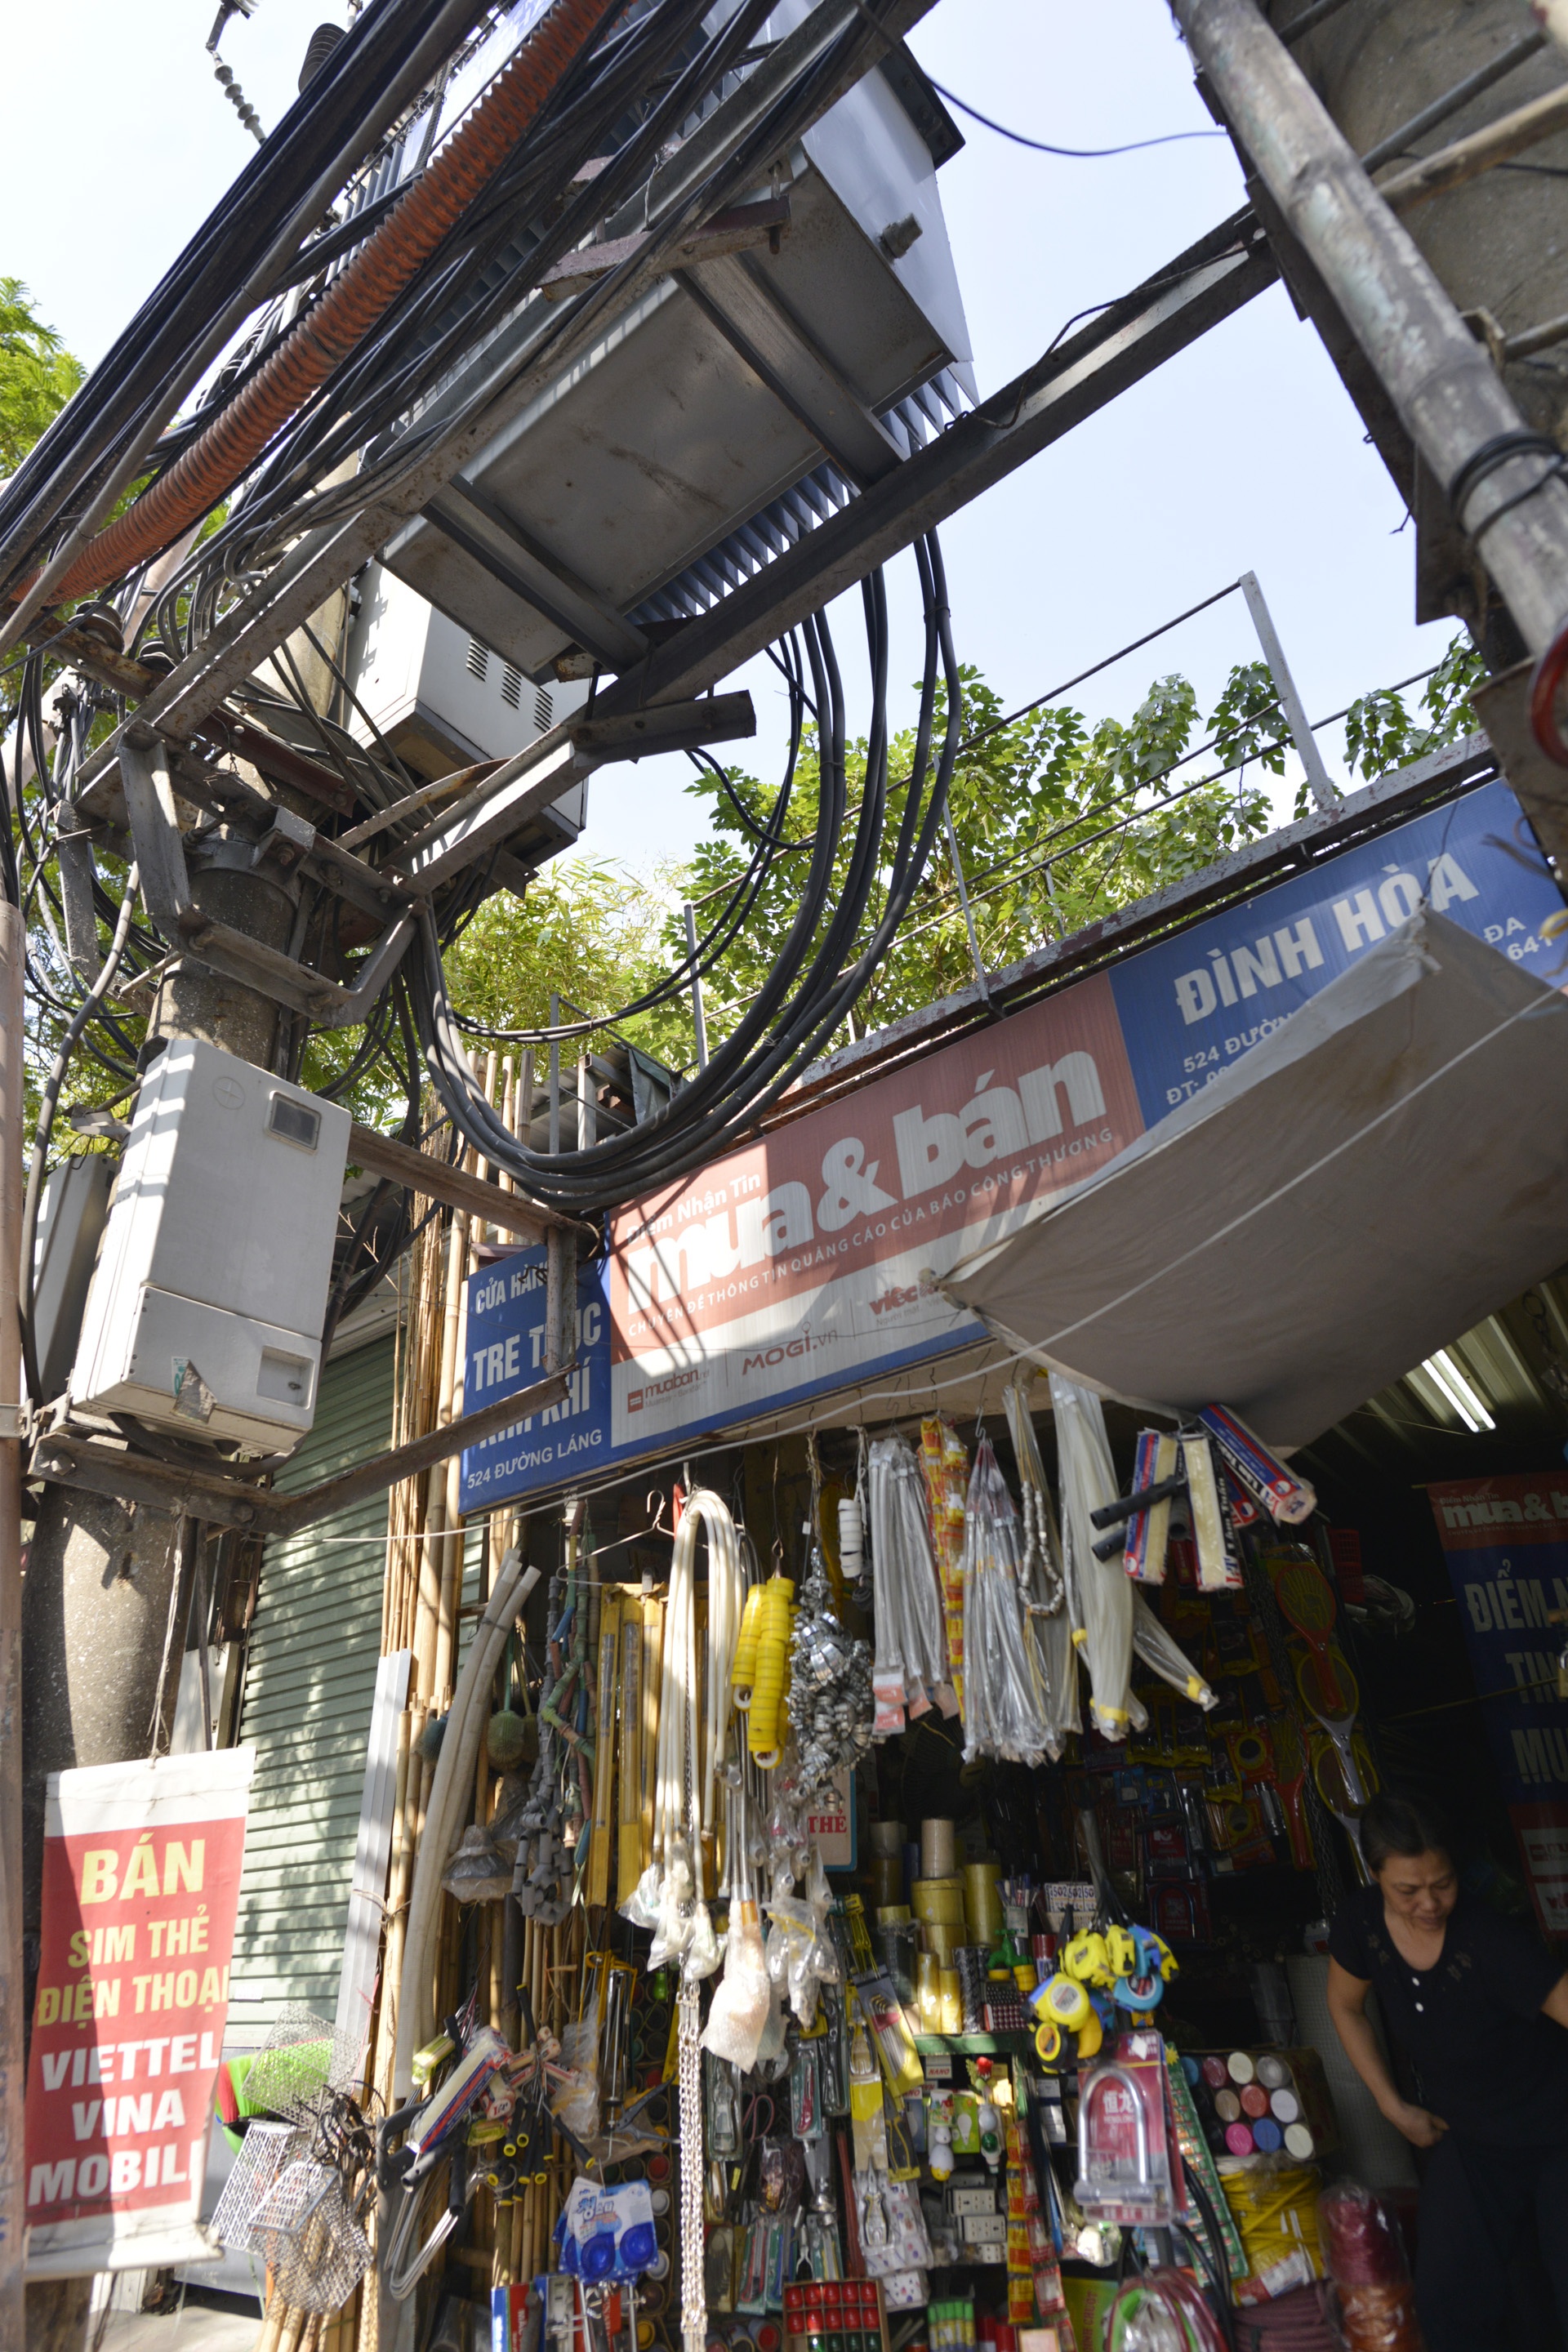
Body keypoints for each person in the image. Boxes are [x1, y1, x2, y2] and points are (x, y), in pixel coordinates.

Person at [1326, 1790, 1568, 2352]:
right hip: (1470, 2139)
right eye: (1408, 1890)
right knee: (1447, 2302)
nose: (1430, 1903)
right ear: (1374, 1873)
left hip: (1558, 2133)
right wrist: (1391, 2103)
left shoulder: (1491, 1939)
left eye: (1443, 1884)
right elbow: (1344, 2006)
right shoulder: (1361, 1923)